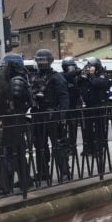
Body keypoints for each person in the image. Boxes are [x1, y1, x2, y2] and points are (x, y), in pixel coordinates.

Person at [30, 49, 69, 181]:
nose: (41, 63)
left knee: (58, 144)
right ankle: (43, 172)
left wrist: (62, 116)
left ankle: (64, 171)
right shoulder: (34, 76)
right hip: (37, 114)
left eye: (43, 60)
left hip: (52, 114)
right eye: (39, 60)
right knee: (39, 145)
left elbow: (64, 98)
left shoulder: (57, 77)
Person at [0, 53, 32, 194]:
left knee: (14, 153)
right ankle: (22, 181)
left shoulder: (16, 80)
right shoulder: (14, 79)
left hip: (15, 121)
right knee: (14, 153)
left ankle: (14, 184)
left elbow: (14, 99)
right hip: (12, 121)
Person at [79, 57, 111, 156]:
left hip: (99, 105)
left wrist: (91, 75)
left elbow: (97, 83)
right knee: (87, 128)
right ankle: (88, 148)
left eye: (91, 66)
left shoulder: (103, 75)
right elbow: (80, 84)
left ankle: (99, 149)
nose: (90, 68)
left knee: (99, 128)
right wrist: (82, 76)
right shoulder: (88, 75)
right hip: (88, 105)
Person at [61, 57, 82, 155]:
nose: (72, 69)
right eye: (70, 67)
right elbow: (68, 75)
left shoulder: (75, 79)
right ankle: (66, 147)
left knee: (73, 128)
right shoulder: (62, 76)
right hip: (65, 107)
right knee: (64, 129)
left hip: (74, 106)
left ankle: (73, 148)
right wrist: (78, 71)